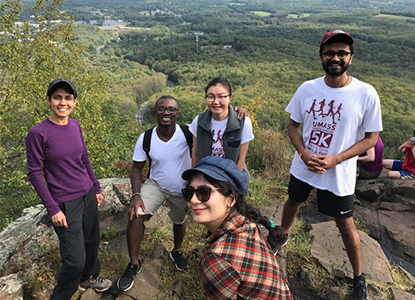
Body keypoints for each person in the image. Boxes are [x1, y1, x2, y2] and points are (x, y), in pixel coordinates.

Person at [275, 30, 383, 300]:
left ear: (351, 58)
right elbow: (293, 126)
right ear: (321, 56)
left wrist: (337, 159)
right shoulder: (307, 88)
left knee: (345, 223)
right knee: (292, 202)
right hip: (304, 166)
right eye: (330, 53)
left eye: (341, 53)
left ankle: (359, 278)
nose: (335, 58)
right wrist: (302, 153)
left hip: (339, 172)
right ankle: (281, 236)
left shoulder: (365, 93)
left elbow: (371, 138)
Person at [26, 78, 112, 299]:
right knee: (74, 261)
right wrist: (53, 209)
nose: (62, 102)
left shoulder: (75, 125)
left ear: (75, 102)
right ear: (49, 100)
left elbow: (83, 157)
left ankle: (90, 277)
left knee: (92, 241)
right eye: (57, 97)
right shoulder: (38, 133)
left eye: (67, 98)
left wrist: (95, 186)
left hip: (87, 195)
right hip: (65, 202)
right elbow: (35, 173)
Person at [181, 156, 294, 300]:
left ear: (231, 199)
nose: (193, 200)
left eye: (204, 192)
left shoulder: (217, 259)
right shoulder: (247, 224)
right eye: (189, 193)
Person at [116, 96, 192, 292]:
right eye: (161, 109)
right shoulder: (146, 137)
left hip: (182, 187)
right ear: (155, 112)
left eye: (171, 109)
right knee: (135, 216)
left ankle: (177, 251)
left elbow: (215, 122)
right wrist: (136, 195)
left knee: (179, 219)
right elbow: (136, 169)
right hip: (156, 184)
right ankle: (134, 263)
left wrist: (236, 113)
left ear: (178, 113)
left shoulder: (188, 132)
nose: (166, 112)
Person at [189, 77, 254, 171]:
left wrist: (233, 183)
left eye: (221, 96)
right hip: (205, 176)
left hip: (231, 177)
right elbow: (195, 154)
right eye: (210, 96)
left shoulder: (243, 122)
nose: (215, 102)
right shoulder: (199, 121)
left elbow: (241, 158)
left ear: (230, 98)